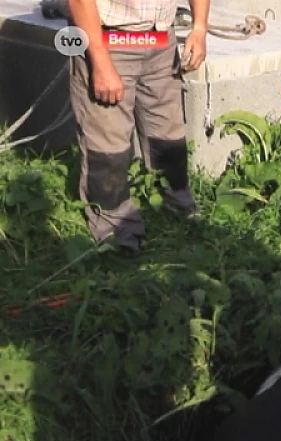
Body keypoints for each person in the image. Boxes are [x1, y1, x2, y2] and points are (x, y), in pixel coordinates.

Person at [66, 0, 208, 254]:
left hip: (160, 38)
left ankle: (175, 208)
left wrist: (199, 28)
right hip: (109, 37)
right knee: (108, 150)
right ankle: (115, 230)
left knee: (168, 136)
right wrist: (99, 62)